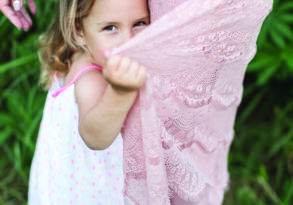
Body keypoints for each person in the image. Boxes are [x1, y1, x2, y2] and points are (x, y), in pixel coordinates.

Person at [28, 0, 149, 204]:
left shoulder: (81, 51)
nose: (128, 41)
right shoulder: (91, 80)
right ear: (78, 31)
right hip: (90, 191)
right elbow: (95, 137)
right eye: (111, 28)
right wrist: (120, 93)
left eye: (139, 23)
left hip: (61, 180)